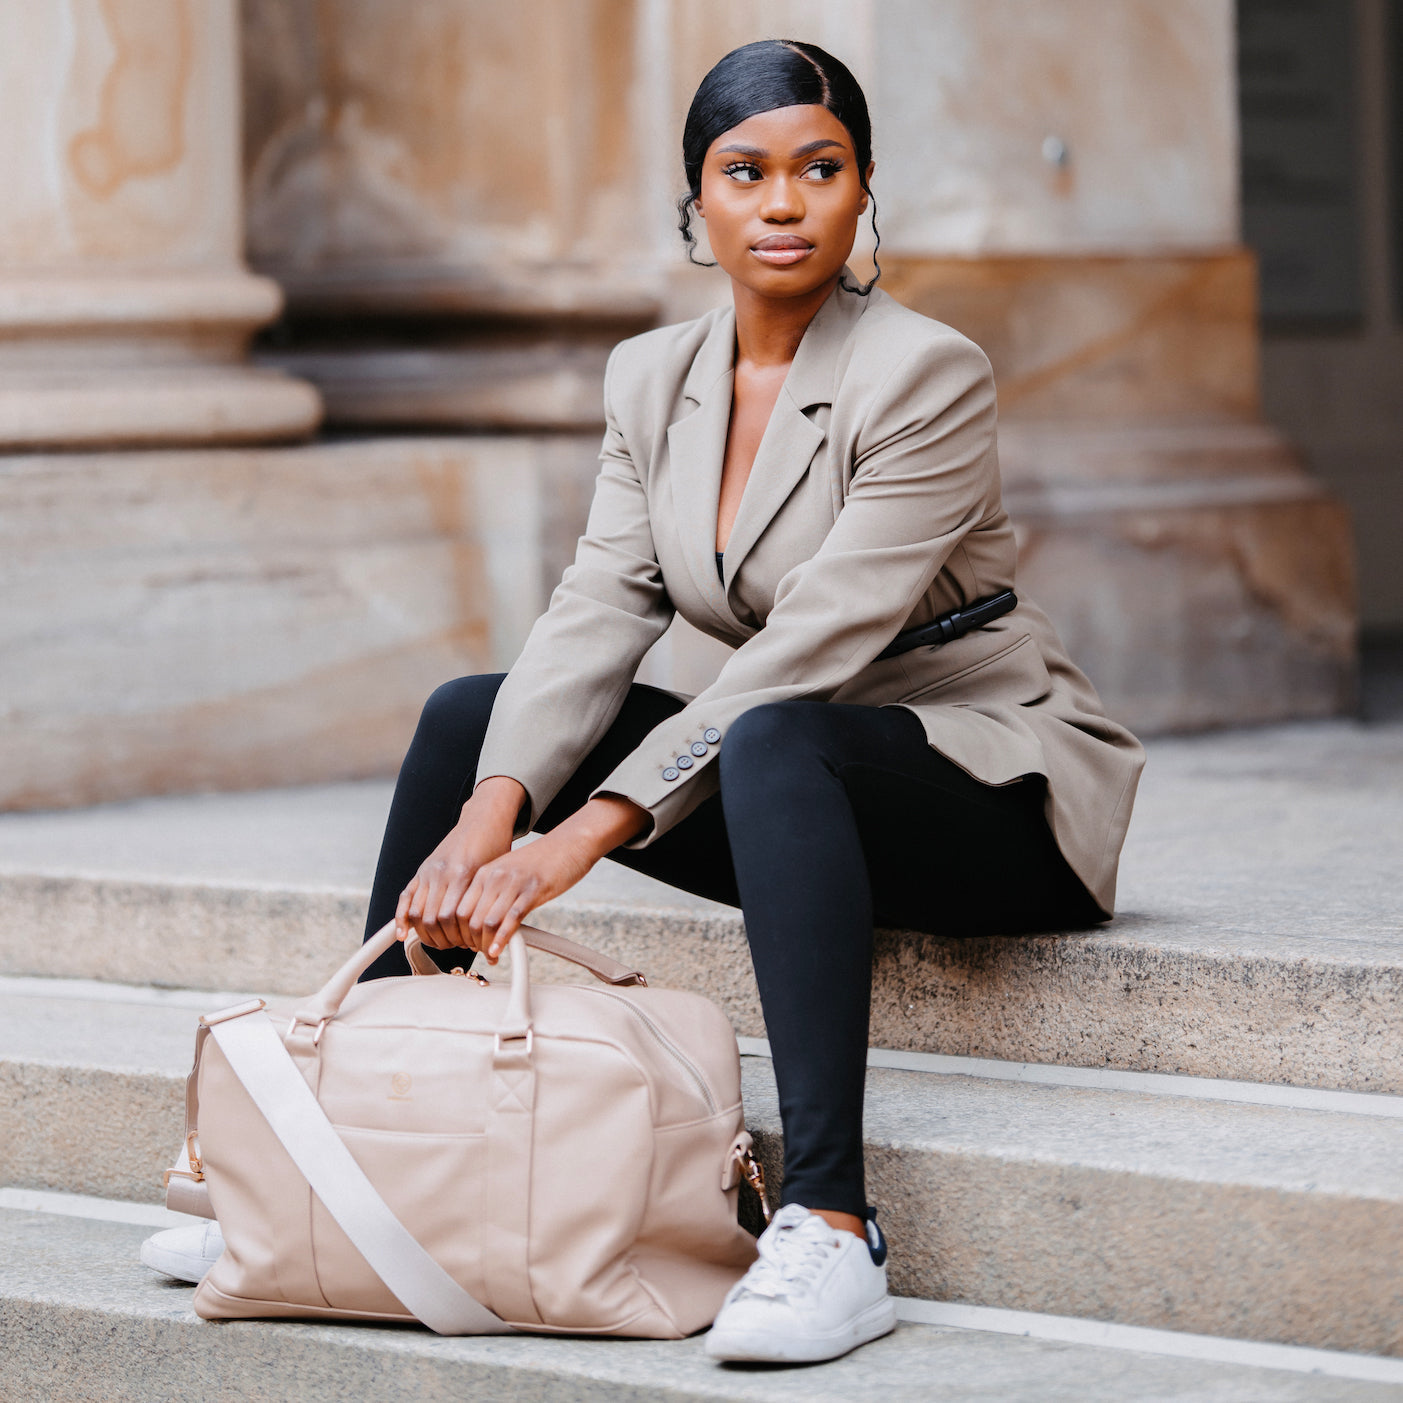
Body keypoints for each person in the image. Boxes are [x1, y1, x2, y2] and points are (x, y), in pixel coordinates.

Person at [143, 39, 1144, 1367]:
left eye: (818, 170)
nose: (783, 203)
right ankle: (352, 1144)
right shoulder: (651, 380)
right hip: (795, 780)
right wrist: (486, 817)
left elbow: (808, 648)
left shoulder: (927, 372)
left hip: (986, 787)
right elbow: (600, 609)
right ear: (697, 205)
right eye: (746, 173)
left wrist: (566, 845)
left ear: (862, 195)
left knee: (781, 732)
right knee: (466, 717)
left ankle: (832, 1228)